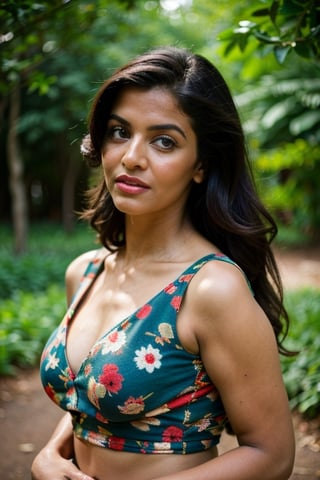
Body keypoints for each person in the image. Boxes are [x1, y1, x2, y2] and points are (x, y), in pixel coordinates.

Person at [31, 46, 295, 480]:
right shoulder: (85, 272)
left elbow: (272, 455)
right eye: (120, 131)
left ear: (201, 165)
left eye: (164, 141)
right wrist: (50, 454)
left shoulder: (210, 289)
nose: (132, 156)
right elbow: (90, 396)